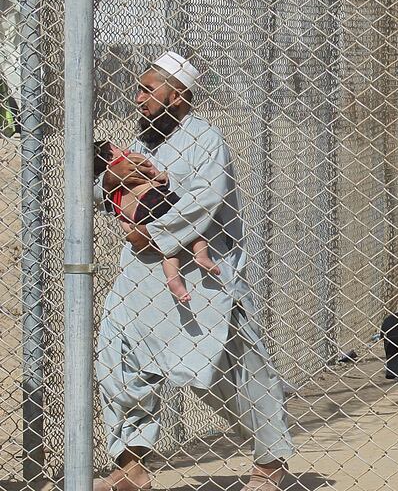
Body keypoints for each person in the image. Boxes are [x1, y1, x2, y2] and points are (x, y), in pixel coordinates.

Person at [93, 52, 293, 491]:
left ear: (178, 95)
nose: (139, 98)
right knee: (118, 359)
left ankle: (270, 463)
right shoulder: (142, 141)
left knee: (230, 369)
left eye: (148, 89)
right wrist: (112, 180)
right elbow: (100, 190)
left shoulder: (206, 140)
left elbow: (206, 198)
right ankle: (132, 465)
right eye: (139, 89)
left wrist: (155, 233)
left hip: (199, 278)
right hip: (139, 278)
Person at [94, 141, 221, 304]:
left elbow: (121, 218)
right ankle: (202, 255)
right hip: (154, 197)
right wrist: (161, 176)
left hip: (137, 215)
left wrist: (131, 230)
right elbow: (152, 172)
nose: (123, 147)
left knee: (168, 249)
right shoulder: (130, 159)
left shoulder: (110, 192)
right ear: (111, 153)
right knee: (192, 227)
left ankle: (173, 279)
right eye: (117, 146)